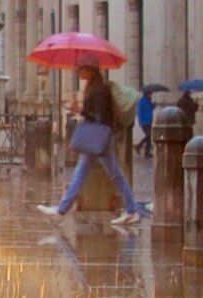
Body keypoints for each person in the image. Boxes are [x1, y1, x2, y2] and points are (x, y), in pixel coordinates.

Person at [44, 68, 149, 220]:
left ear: (90, 69)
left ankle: (62, 208)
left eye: (81, 69)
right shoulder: (94, 87)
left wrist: (79, 110)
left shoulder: (99, 90)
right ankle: (131, 210)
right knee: (112, 175)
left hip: (98, 136)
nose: (79, 72)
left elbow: (99, 116)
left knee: (84, 173)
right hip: (101, 137)